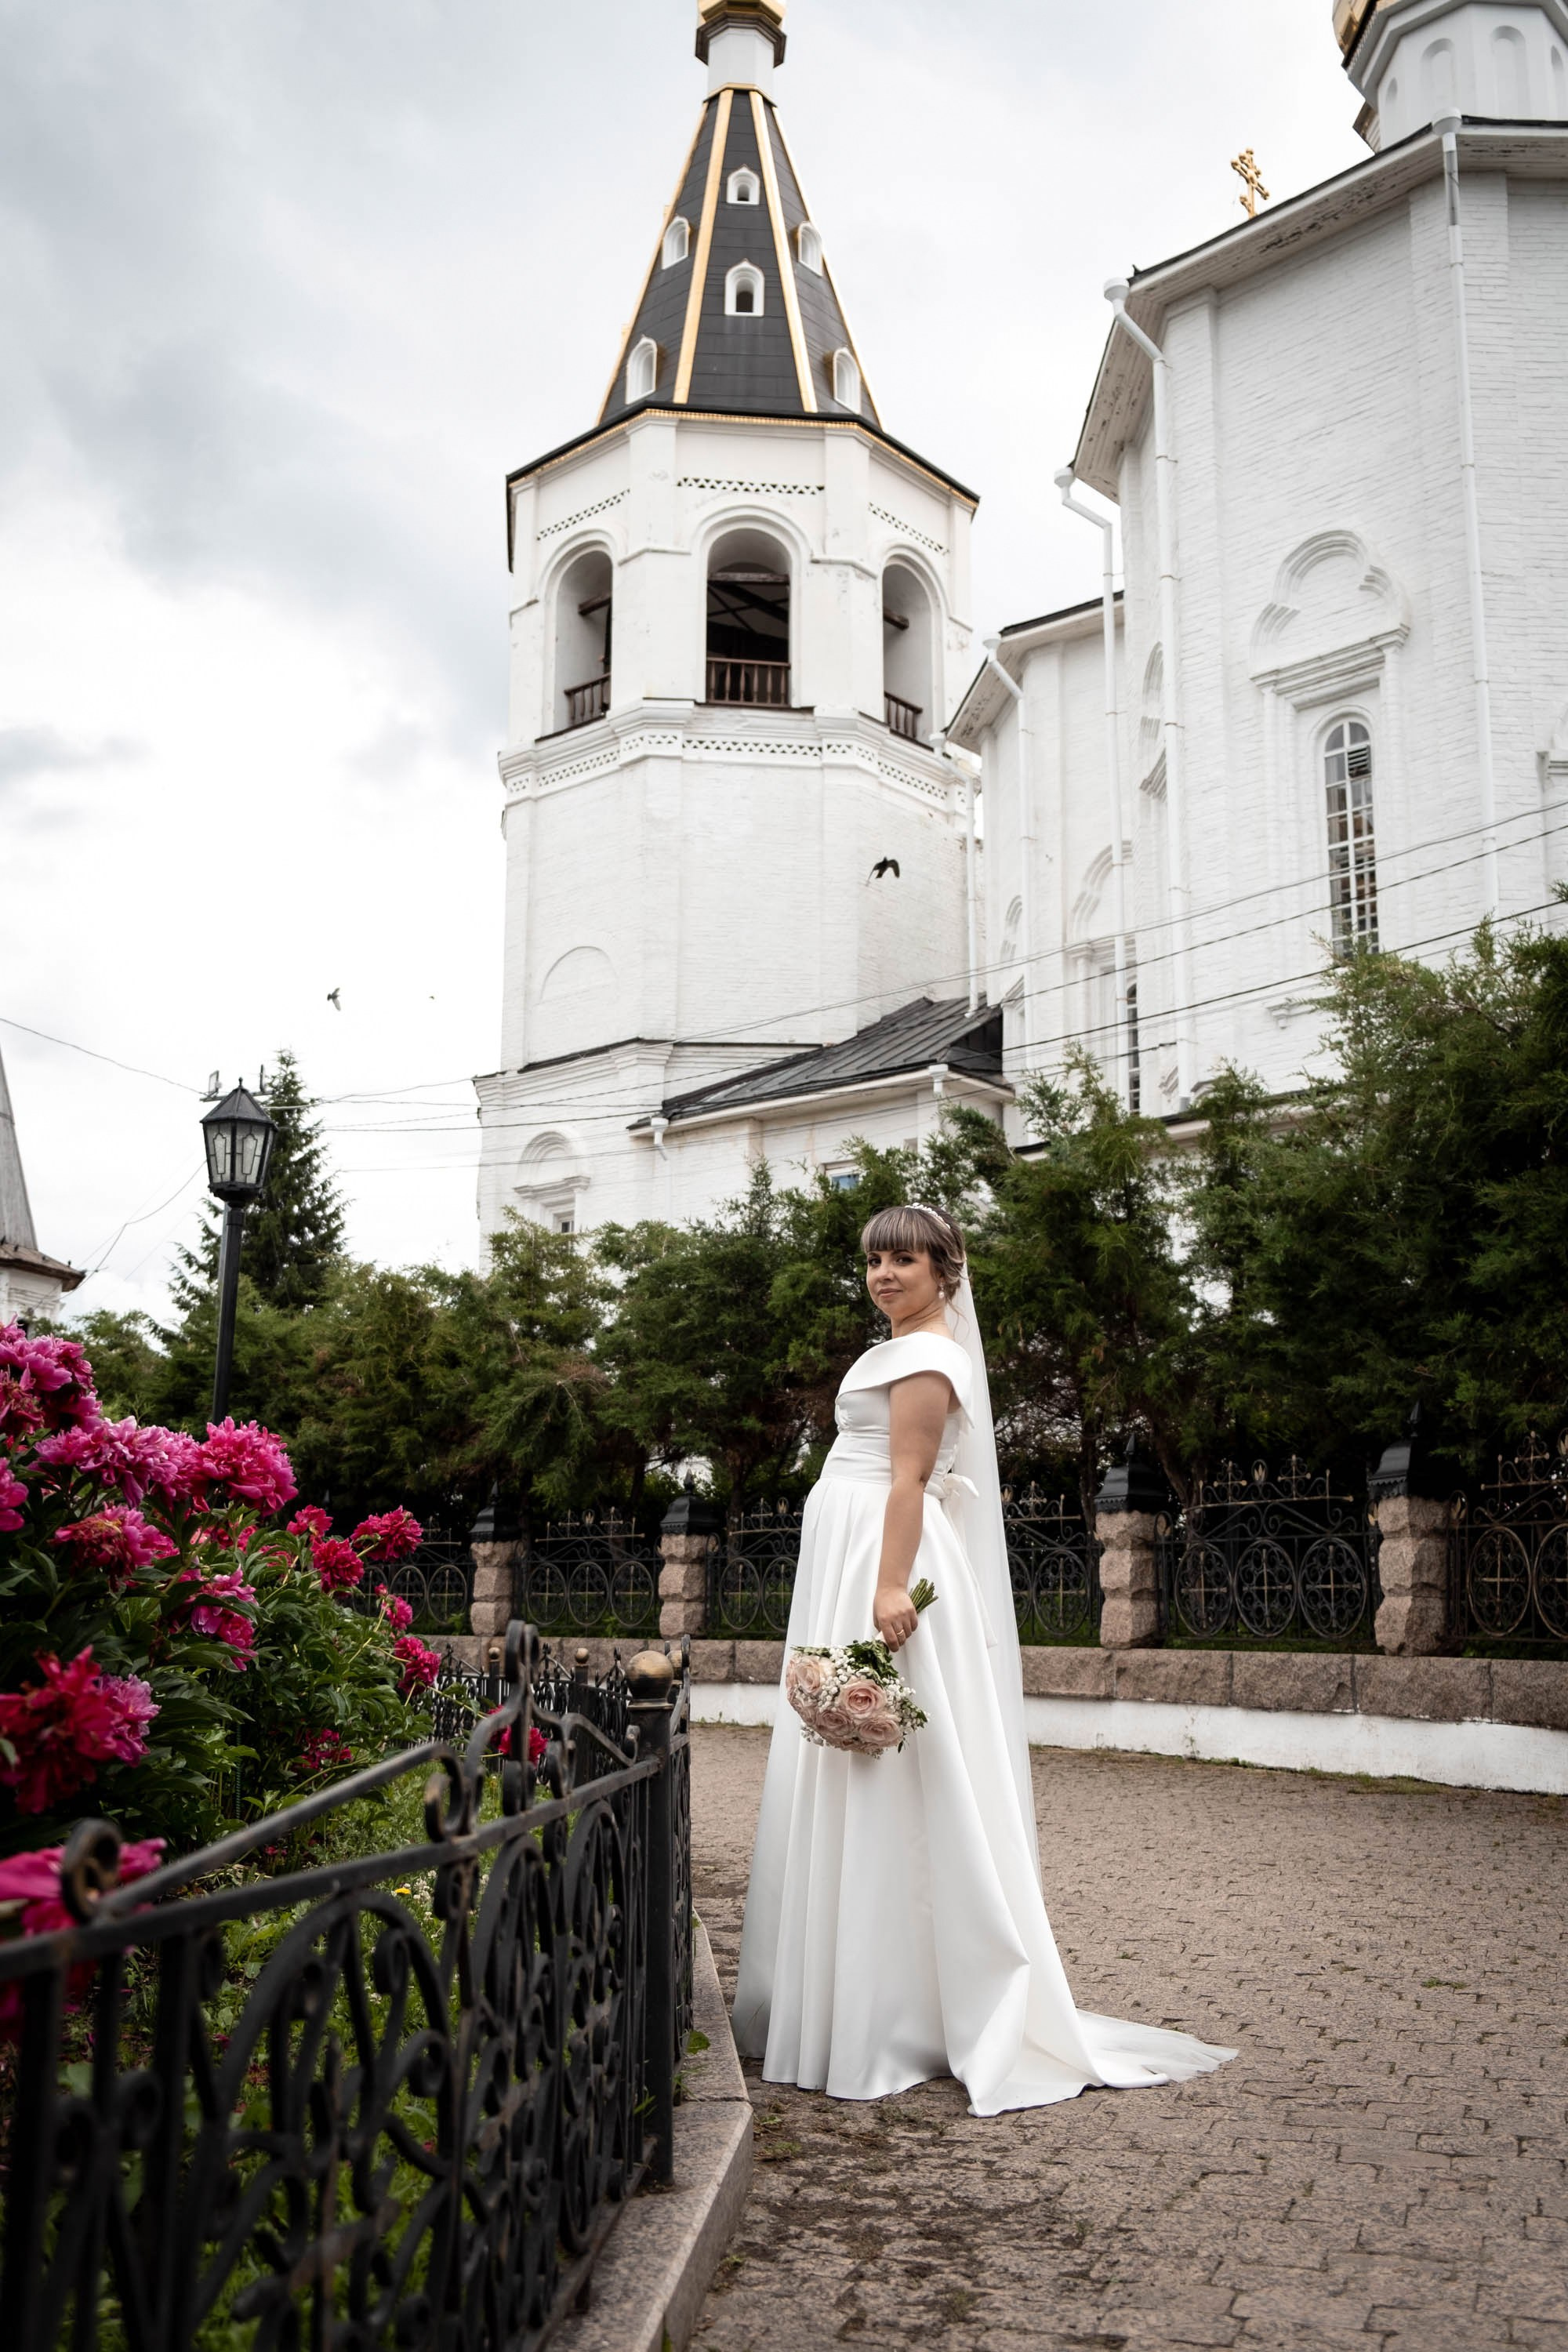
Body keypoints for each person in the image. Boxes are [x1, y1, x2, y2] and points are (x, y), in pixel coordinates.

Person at [732, 1201, 1236, 2114]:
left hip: (884, 1558)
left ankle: (894, 2008)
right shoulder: (895, 1348)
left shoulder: (927, 1358)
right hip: (853, 1548)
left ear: (943, 1271)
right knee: (854, 1759)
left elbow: (909, 1478)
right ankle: (849, 1993)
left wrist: (889, 1586)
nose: (883, 1276)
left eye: (903, 1261)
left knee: (895, 1763)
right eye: (874, 1261)